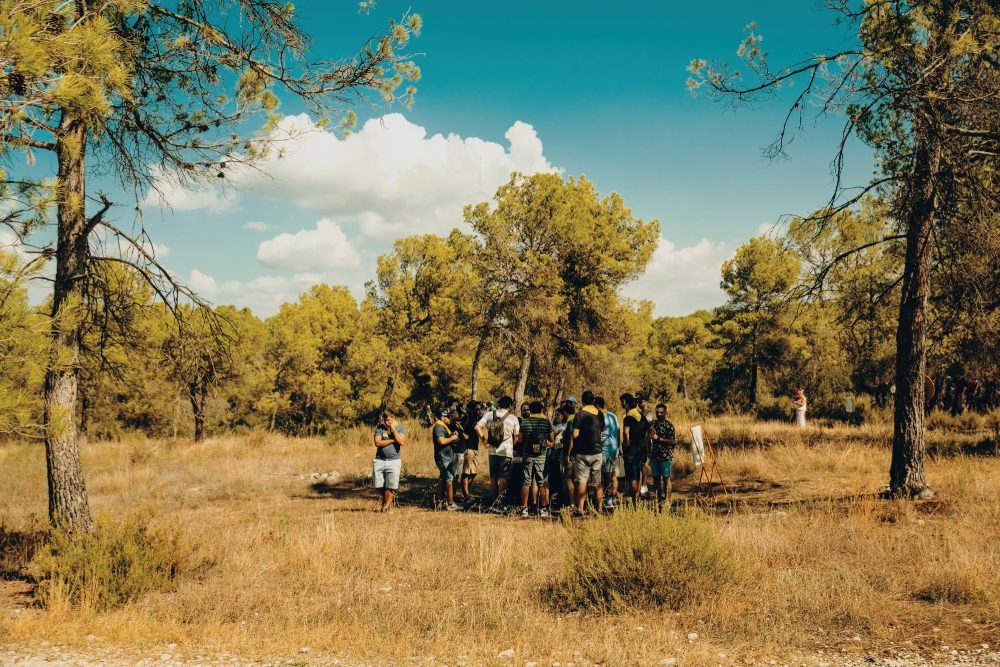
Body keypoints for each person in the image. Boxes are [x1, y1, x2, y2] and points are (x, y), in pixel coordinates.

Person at [476, 396, 520, 505]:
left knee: (493, 477)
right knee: (503, 478)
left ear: (499, 404)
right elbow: (517, 437)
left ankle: (493, 500)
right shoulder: (513, 418)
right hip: (506, 451)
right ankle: (500, 502)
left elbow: (477, 427)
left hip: (492, 450)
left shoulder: (489, 414)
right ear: (510, 406)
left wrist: (484, 440)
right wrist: (512, 447)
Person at [568, 391, 604, 514]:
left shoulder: (580, 414)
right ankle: (599, 508)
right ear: (593, 401)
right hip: (597, 451)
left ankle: (580, 508)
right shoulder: (600, 414)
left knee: (582, 480)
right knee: (597, 481)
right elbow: (602, 429)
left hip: (583, 452)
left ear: (582, 401)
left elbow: (575, 434)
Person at [517, 400, 554, 517]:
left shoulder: (525, 422)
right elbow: (551, 441)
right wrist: (543, 443)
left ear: (531, 410)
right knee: (541, 482)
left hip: (527, 456)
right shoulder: (546, 423)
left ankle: (524, 508)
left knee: (526, 481)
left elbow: (520, 440)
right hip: (541, 457)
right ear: (541, 410)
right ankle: (543, 509)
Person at [372, 410, 407, 513]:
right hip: (380, 459)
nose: (386, 422)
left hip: (394, 460)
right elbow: (377, 442)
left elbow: (401, 441)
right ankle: (387, 500)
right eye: (385, 420)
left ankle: (386, 507)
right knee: (378, 484)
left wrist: (393, 430)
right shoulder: (380, 428)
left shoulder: (400, 427)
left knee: (391, 486)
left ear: (393, 417)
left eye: (388, 419)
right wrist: (392, 440)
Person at [647, 403, 676, 509]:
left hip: (666, 456)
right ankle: (659, 501)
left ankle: (668, 500)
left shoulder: (669, 425)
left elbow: (673, 441)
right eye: (657, 412)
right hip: (654, 456)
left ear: (665, 413)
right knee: (656, 480)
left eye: (661, 412)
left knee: (666, 479)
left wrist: (659, 439)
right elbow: (648, 437)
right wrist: (648, 451)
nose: (659, 414)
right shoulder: (652, 424)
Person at [595, 395, 620, 510]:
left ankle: (607, 499)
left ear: (597, 406)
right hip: (614, 448)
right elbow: (618, 431)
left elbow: (598, 433)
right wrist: (618, 447)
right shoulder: (613, 415)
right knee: (612, 474)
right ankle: (612, 498)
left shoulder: (600, 416)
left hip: (604, 449)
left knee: (605, 476)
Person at [620, 393, 646, 502]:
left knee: (632, 476)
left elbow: (626, 432)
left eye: (622, 402)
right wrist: (644, 442)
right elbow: (651, 431)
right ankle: (638, 497)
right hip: (641, 448)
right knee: (638, 473)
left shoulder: (628, 416)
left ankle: (634, 501)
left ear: (626, 403)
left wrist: (626, 444)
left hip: (631, 451)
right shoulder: (640, 415)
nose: (621, 404)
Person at [433, 409, 460, 511]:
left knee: (443, 478)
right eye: (448, 417)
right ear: (442, 417)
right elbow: (441, 441)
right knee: (449, 479)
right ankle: (450, 503)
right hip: (443, 457)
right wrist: (452, 438)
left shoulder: (443, 426)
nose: (450, 419)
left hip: (446, 456)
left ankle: (440, 502)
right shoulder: (439, 427)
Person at [459, 400, 484, 503]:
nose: (479, 411)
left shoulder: (477, 418)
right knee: (466, 471)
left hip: (475, 447)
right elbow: (459, 427)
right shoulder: (467, 417)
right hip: (467, 447)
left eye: (479, 409)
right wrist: (463, 435)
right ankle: (466, 494)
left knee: (473, 472)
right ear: (471, 409)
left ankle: (465, 492)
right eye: (477, 409)